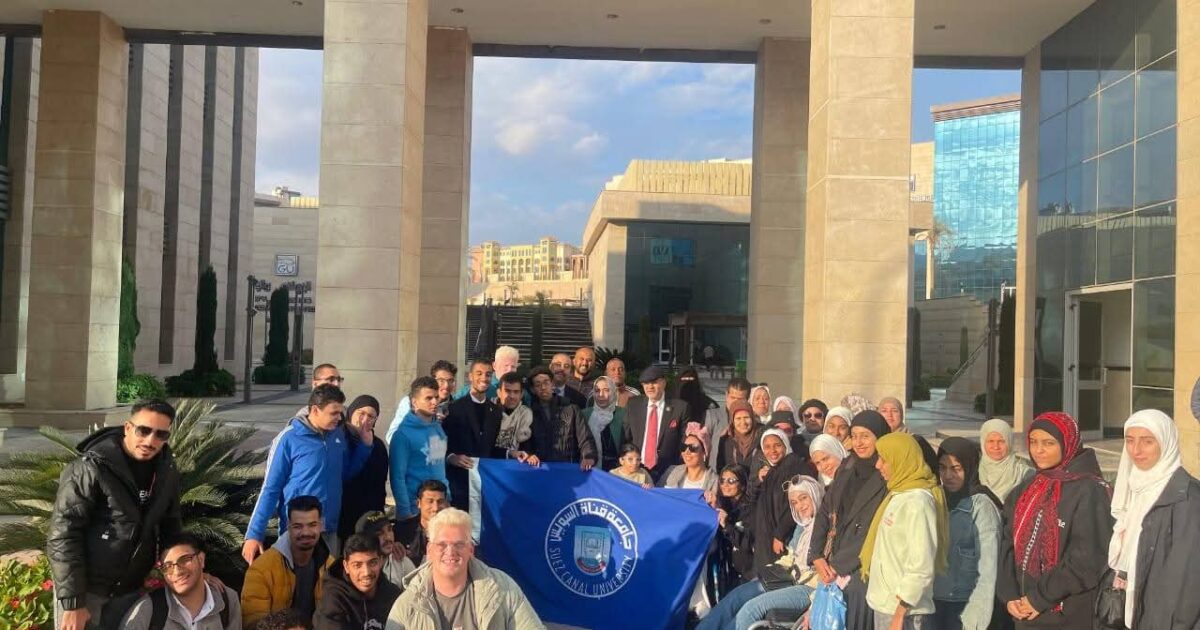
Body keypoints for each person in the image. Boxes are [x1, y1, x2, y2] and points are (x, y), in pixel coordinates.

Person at [48, 400, 182, 630]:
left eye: (161, 434)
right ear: (128, 428)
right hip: (87, 593)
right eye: (144, 430)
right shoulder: (91, 467)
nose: (150, 441)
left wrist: (190, 569)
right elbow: (63, 534)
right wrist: (73, 602)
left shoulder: (166, 470)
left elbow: (171, 527)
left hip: (130, 592)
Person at [997, 412, 1111, 629]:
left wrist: (1038, 598)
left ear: (1068, 444)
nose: (1038, 450)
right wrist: (1009, 595)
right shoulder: (1029, 487)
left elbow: (1087, 558)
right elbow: (1006, 542)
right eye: (1033, 442)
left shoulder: (1090, 490)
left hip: (1067, 613)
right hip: (1024, 611)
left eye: (1048, 443)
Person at [244, 386, 372, 564]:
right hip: (298, 530)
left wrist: (364, 448)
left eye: (340, 413)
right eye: (333, 413)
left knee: (327, 579)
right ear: (315, 410)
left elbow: (344, 475)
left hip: (329, 531)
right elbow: (270, 488)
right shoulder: (288, 439)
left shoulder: (338, 435)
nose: (339, 418)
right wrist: (254, 534)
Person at [1105, 409, 1200, 628]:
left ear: (1166, 442)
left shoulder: (1187, 497)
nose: (1136, 450)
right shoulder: (1133, 485)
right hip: (1132, 609)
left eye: (1147, 441)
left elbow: (1188, 582)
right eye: (1130, 440)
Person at [700, 476, 825, 630]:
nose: (800, 506)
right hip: (787, 578)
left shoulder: (828, 526)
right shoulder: (803, 525)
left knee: (752, 608)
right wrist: (770, 570)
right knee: (736, 596)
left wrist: (814, 605)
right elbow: (792, 556)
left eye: (803, 498)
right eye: (794, 502)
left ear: (814, 494)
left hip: (809, 588)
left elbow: (829, 576)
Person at [387, 508, 544, 628]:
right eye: (442, 544)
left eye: (459, 544)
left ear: (471, 550)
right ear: (429, 550)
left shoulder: (503, 588)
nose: (450, 552)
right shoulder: (408, 605)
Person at [808, 410, 892, 630]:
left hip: (862, 569)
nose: (859, 442)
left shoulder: (886, 473)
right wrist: (816, 555)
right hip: (832, 563)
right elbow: (825, 511)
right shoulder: (847, 467)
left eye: (865, 436)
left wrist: (837, 566)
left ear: (880, 437)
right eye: (854, 436)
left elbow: (872, 528)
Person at [862, 432, 949, 630]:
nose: (878, 465)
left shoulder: (918, 502)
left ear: (901, 460)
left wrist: (900, 613)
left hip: (905, 612)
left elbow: (921, 565)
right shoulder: (898, 494)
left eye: (884, 459)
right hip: (885, 604)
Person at [932, 437, 1001, 630]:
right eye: (943, 468)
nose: (948, 475)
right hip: (933, 604)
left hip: (965, 606)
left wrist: (975, 620)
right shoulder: (935, 498)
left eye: (956, 468)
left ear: (969, 467)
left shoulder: (981, 506)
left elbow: (988, 571)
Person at [242, 496, 334, 626]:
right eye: (298, 526)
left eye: (312, 525)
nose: (305, 532)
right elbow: (254, 623)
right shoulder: (262, 568)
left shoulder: (331, 566)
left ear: (321, 525)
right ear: (288, 526)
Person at [121, 534, 242, 630]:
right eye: (168, 566)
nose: (177, 571)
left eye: (184, 560)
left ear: (201, 559)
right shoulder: (148, 609)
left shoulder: (227, 600)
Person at [749, 428, 816, 573]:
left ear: (785, 444)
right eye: (767, 447)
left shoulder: (795, 467)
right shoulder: (774, 469)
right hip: (768, 537)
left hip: (785, 538)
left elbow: (796, 505)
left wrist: (780, 534)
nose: (772, 451)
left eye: (777, 445)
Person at [444, 359, 505, 510]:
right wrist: (451, 457)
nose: (484, 378)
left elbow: (491, 447)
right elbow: (444, 444)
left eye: (488, 374)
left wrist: (512, 453)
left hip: (484, 483)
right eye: (479, 373)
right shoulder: (454, 408)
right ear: (470, 376)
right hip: (459, 482)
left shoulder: (496, 411)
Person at [389, 376, 451, 519]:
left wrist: (447, 498)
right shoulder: (402, 435)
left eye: (436, 397)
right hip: (415, 510)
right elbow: (397, 477)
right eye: (429, 398)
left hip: (441, 506)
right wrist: (405, 512)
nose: (435, 402)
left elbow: (438, 468)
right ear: (414, 402)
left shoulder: (438, 428)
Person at [314, 533, 402, 630]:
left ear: (380, 561)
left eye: (372, 563)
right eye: (357, 565)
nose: (366, 572)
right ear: (346, 566)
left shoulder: (393, 595)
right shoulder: (333, 600)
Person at [623, 365, 690, 482]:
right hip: (636, 470)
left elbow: (684, 442)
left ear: (664, 383)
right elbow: (625, 437)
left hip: (669, 472)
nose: (650, 387)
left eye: (654, 382)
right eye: (645, 383)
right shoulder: (633, 405)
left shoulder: (680, 408)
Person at [339, 395, 389, 542]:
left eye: (371, 416)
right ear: (351, 413)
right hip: (343, 513)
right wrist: (364, 447)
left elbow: (380, 484)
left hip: (369, 515)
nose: (365, 419)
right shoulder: (339, 439)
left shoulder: (378, 446)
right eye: (361, 413)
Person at [526, 365, 597, 468]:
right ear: (533, 389)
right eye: (538, 384)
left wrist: (588, 456)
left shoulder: (571, 409)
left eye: (546, 382)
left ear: (552, 384)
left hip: (568, 468)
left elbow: (585, 438)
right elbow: (525, 443)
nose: (543, 387)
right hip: (541, 469)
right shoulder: (528, 413)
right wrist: (529, 455)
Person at [385, 360, 457, 447]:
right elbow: (392, 437)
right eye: (441, 380)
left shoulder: (456, 407)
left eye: (450, 380)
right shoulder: (411, 402)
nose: (446, 385)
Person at [355, 511, 416, 589]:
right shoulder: (356, 569)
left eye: (389, 530)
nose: (388, 537)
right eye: (379, 534)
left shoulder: (401, 562)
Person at [978, 418, 1034, 503]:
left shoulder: (1024, 473)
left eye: (1001, 441)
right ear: (983, 443)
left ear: (1009, 442)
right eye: (990, 441)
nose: (996, 447)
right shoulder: (974, 470)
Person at [878, 396, 938, 474]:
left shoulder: (917, 441)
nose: (889, 415)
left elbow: (933, 470)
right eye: (884, 411)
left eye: (895, 411)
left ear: (901, 415)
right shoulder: (873, 442)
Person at [398, 479, 449, 568]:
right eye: (430, 501)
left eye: (440, 501)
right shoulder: (402, 530)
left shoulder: (454, 531)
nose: (435, 508)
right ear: (418, 503)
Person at [676, 368, 722, 460]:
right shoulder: (671, 406)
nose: (687, 385)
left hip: (701, 454)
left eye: (691, 380)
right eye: (684, 380)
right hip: (674, 455)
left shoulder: (710, 405)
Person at [658, 422, 718, 493]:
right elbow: (656, 494)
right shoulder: (671, 472)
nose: (687, 452)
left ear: (704, 452)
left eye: (693, 448)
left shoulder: (715, 481)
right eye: (683, 447)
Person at [582, 375, 626, 471]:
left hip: (618, 471)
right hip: (591, 470)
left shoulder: (623, 414)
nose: (601, 395)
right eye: (597, 391)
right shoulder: (584, 414)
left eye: (606, 390)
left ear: (613, 392)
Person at [708, 378, 752, 466]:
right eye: (732, 397)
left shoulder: (751, 421)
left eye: (740, 399)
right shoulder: (711, 416)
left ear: (747, 399)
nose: (735, 402)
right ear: (726, 395)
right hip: (717, 470)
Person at [452, 346, 519, 400]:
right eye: (506, 366)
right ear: (494, 366)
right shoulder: (478, 388)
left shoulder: (520, 391)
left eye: (513, 367)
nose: (509, 370)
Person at [494, 371, 534, 456]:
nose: (512, 396)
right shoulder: (488, 411)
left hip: (517, 463)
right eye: (507, 391)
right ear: (499, 393)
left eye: (516, 392)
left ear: (522, 394)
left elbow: (529, 447)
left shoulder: (527, 414)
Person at [716, 400, 762, 471]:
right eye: (738, 418)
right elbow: (720, 468)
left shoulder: (763, 436)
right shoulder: (725, 440)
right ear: (732, 420)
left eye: (746, 417)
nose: (743, 422)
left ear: (752, 418)